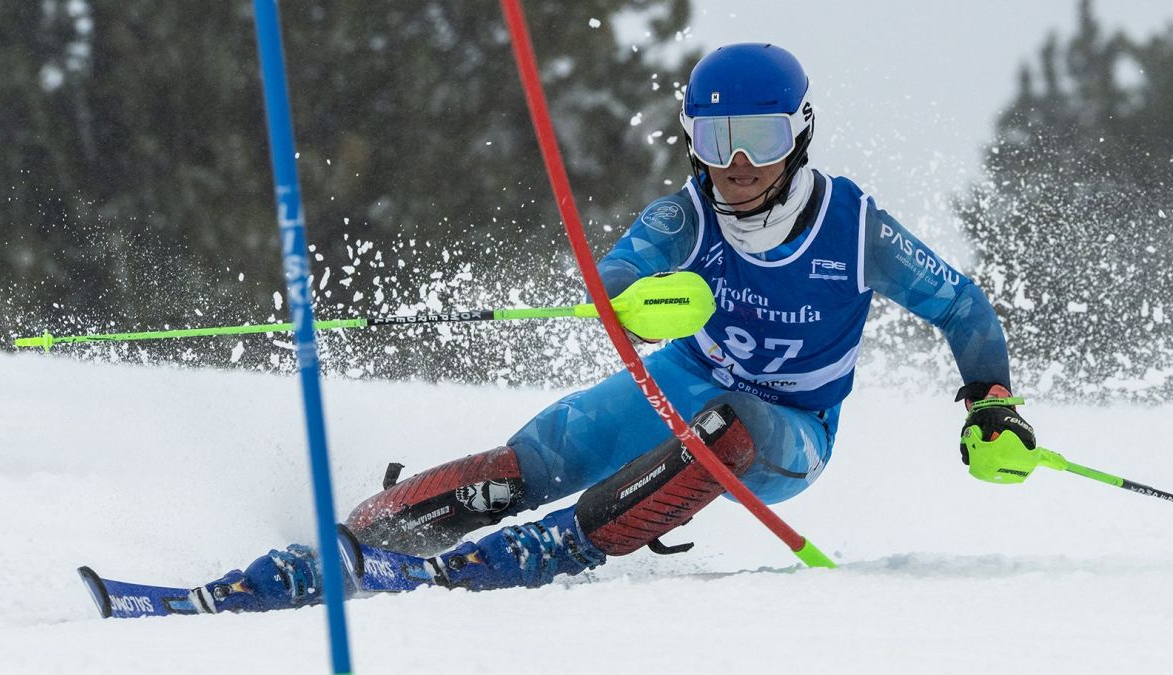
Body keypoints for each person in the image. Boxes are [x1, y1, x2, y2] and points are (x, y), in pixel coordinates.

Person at [197, 43, 1037, 611]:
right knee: (539, 455)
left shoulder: (855, 230)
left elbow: (961, 305)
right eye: (716, 140)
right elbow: (619, 272)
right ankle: (366, 535)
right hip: (687, 374)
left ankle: (545, 551)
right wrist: (627, 301)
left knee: (729, 428)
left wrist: (990, 402)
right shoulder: (689, 215)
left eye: (760, 139)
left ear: (801, 134)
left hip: (791, 430)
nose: (736, 166)